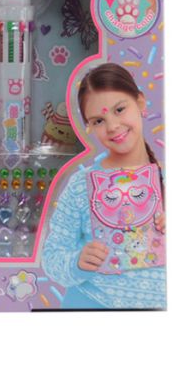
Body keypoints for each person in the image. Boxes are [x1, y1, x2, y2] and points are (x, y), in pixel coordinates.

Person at [41, 63, 166, 309]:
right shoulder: (81, 185)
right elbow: (52, 256)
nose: (112, 126)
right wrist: (78, 262)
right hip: (91, 305)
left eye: (120, 109)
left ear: (140, 103)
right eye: (98, 120)